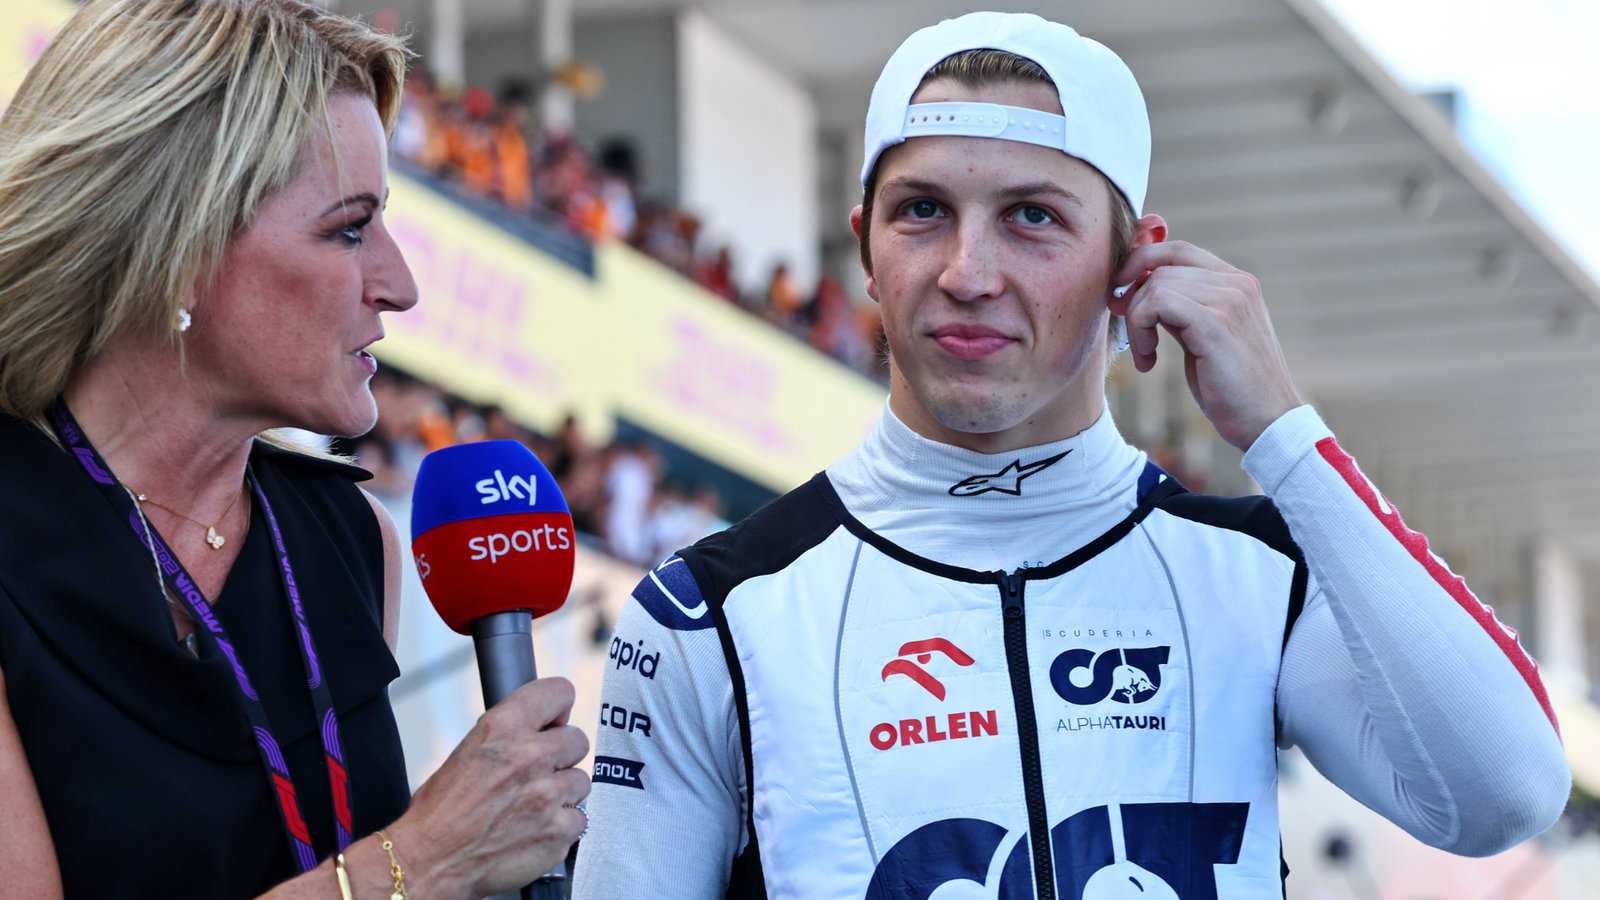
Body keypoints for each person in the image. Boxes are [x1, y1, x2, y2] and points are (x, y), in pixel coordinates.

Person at [572, 11, 1570, 899]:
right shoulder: (708, 612)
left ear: (1133, 260)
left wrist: (1281, 429)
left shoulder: (1255, 570)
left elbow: (1504, 796)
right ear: (864, 249)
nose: (968, 274)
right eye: (921, 211)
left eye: (1032, 217)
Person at [0, 1, 587, 898]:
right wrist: (421, 863)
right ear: (175, 245)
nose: (401, 286)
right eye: (349, 229)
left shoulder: (352, 536)